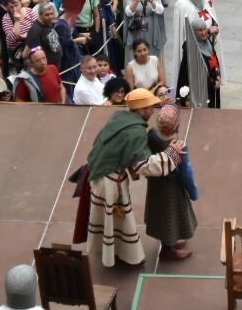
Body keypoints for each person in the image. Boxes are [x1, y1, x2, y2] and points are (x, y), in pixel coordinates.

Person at [78, 88, 182, 267]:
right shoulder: (135, 131)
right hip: (109, 181)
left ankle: (117, 254)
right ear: (141, 110)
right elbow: (144, 166)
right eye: (150, 107)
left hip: (100, 175)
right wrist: (172, 153)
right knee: (121, 219)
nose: (153, 110)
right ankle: (129, 258)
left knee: (113, 221)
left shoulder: (119, 118)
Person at [143, 105, 198, 261]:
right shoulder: (178, 146)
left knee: (161, 214)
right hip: (172, 188)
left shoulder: (152, 135)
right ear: (176, 125)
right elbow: (186, 172)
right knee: (170, 216)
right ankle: (168, 250)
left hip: (155, 183)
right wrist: (193, 192)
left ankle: (169, 242)